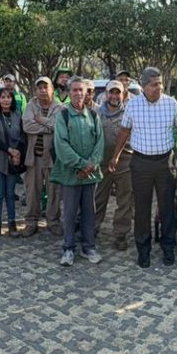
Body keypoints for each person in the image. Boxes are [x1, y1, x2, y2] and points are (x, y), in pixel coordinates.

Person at [111, 67, 177, 268]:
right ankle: (143, 249)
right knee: (142, 208)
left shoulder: (171, 103)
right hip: (141, 163)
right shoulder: (133, 105)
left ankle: (168, 246)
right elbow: (124, 131)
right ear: (143, 86)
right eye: (153, 84)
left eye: (160, 83)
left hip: (165, 162)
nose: (158, 87)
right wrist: (115, 157)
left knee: (167, 206)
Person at [52, 77, 105, 266]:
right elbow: (61, 145)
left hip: (90, 175)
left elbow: (100, 142)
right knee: (70, 213)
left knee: (89, 212)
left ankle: (89, 247)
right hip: (71, 174)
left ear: (86, 92)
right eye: (74, 90)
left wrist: (92, 164)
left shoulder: (93, 115)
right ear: (69, 92)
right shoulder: (63, 116)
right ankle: (68, 249)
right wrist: (81, 165)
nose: (78, 93)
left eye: (81, 90)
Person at [94, 81, 134, 249]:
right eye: (111, 92)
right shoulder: (96, 113)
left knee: (124, 200)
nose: (114, 96)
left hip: (125, 162)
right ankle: (92, 228)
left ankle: (121, 234)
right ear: (106, 94)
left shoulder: (130, 112)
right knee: (98, 198)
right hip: (102, 162)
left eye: (118, 93)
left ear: (123, 95)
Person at [22, 76, 63, 237]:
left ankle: (53, 222)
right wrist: (48, 126)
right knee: (32, 191)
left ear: (52, 89)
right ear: (36, 90)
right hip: (34, 157)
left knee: (54, 191)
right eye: (39, 88)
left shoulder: (60, 107)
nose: (43, 91)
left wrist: (40, 120)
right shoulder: (31, 105)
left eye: (46, 87)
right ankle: (31, 222)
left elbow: (59, 126)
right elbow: (27, 125)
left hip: (52, 157)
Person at [0, 87, 26, 238]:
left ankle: (12, 224)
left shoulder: (17, 115)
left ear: (12, 99)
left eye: (9, 97)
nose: (6, 100)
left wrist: (17, 152)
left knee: (10, 194)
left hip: (13, 161)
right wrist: (9, 150)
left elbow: (22, 136)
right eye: (3, 97)